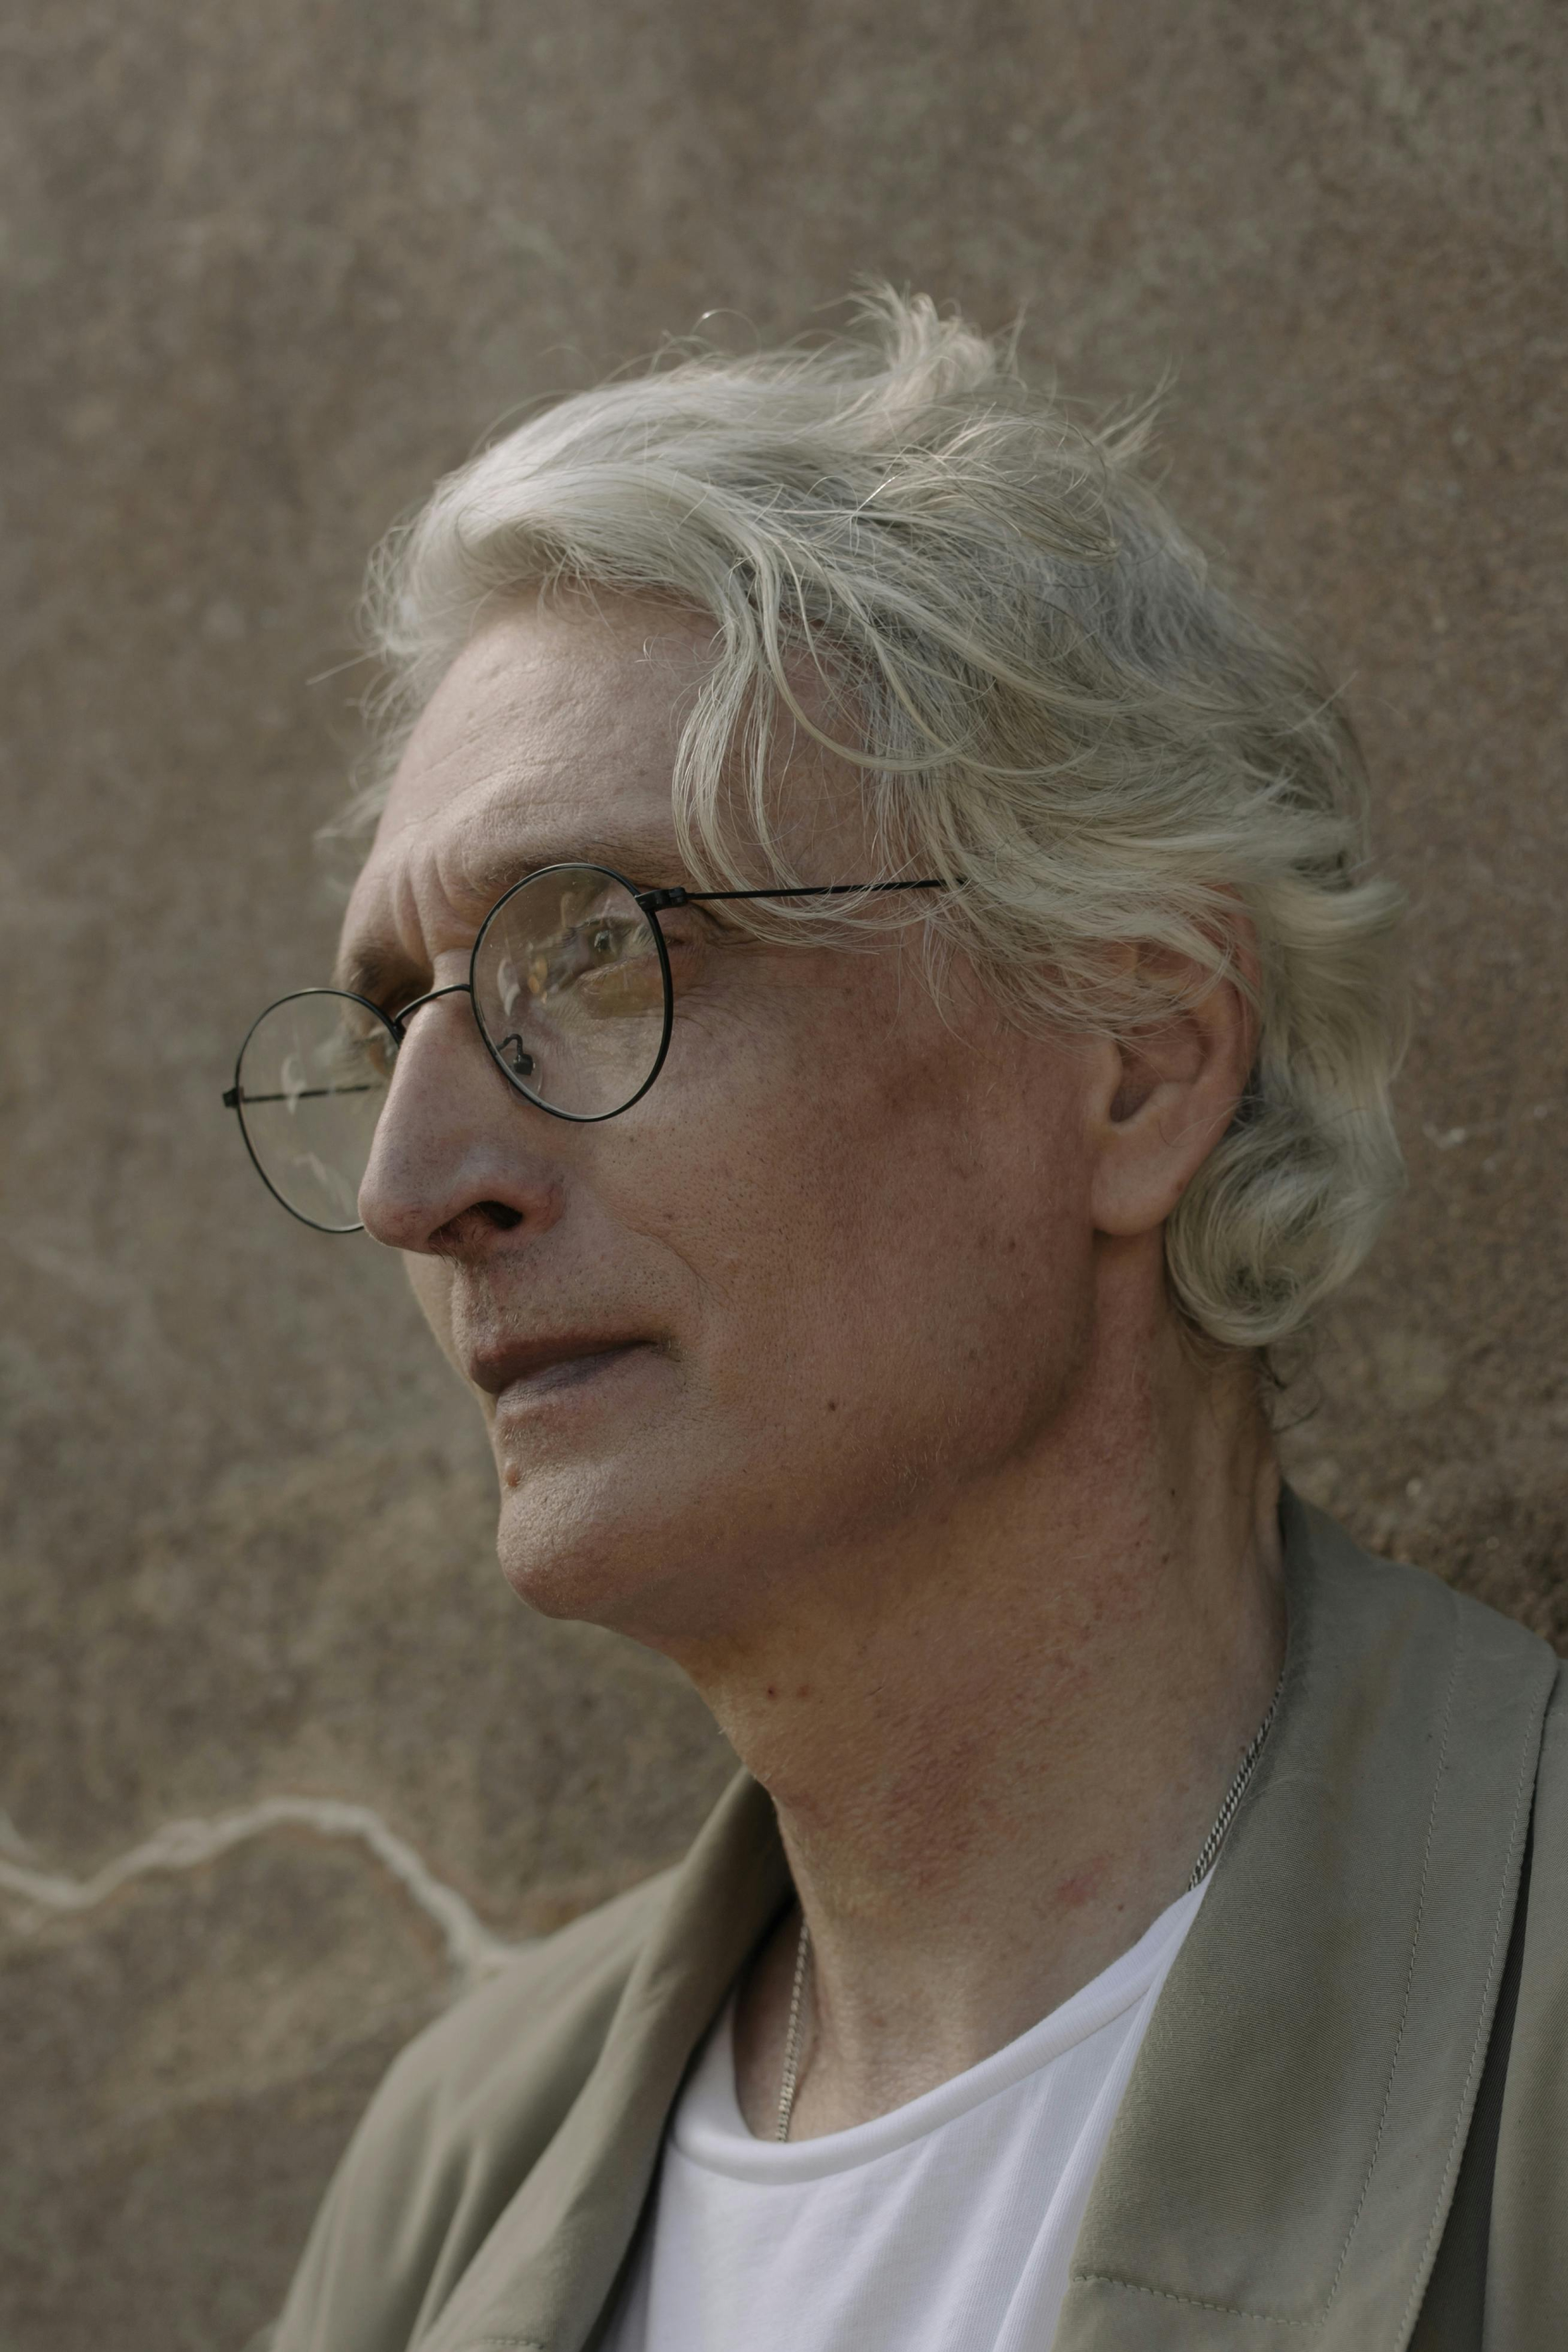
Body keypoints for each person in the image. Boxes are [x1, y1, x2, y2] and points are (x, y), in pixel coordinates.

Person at [231, 292, 1564, 2352]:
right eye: (389, 1021)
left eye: (594, 955)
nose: (419, 1185)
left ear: (1134, 1056)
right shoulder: (448, 2179)